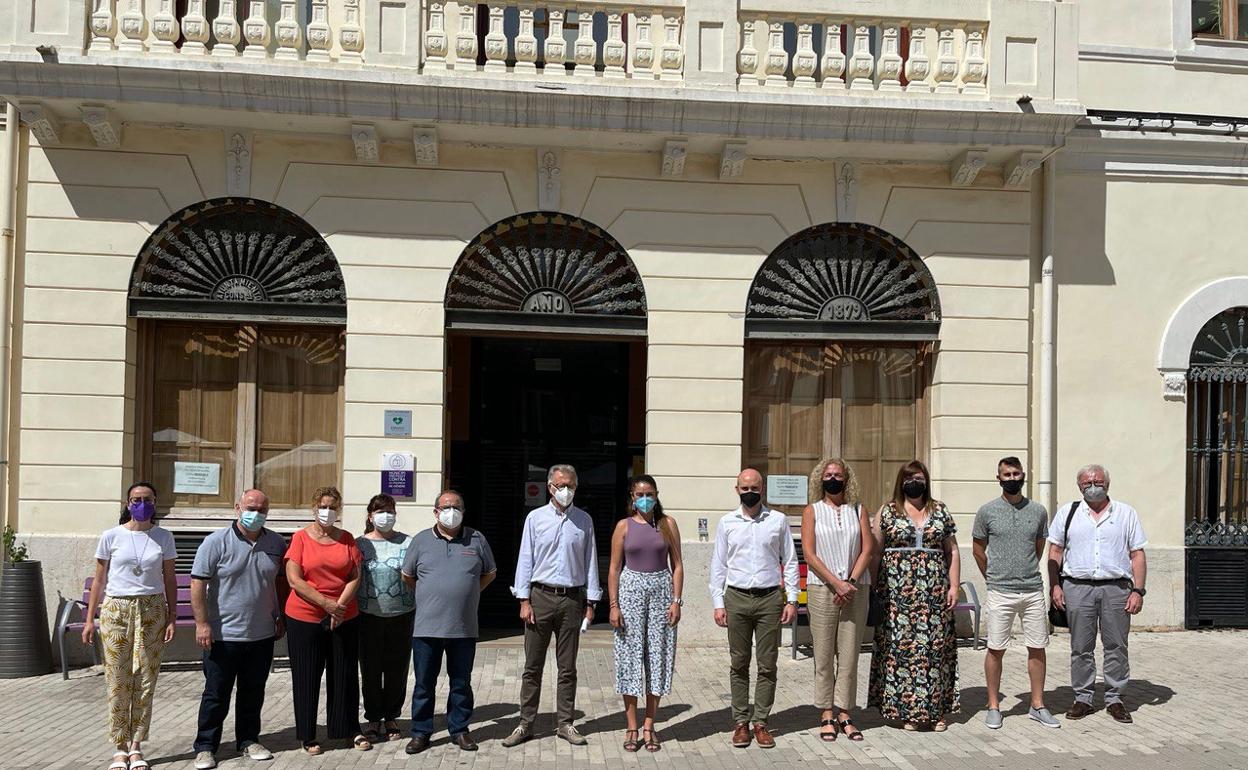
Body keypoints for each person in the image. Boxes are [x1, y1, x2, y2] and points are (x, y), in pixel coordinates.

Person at [503, 464, 601, 747]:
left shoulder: (584, 520)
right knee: (532, 666)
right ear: (549, 487)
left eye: (570, 485)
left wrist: (591, 602)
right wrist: (523, 600)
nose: (565, 490)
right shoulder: (535, 519)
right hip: (540, 597)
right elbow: (525, 558)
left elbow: (590, 561)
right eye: (560, 485)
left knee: (567, 667)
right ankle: (525, 724)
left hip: (572, 599)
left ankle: (565, 723)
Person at [190, 489, 288, 769]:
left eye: (261, 509)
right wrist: (202, 623)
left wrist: (279, 616)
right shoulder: (215, 542)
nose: (255, 513)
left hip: (261, 634)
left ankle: (248, 740)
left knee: (253, 691)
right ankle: (206, 746)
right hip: (222, 636)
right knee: (216, 694)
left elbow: (279, 582)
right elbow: (197, 584)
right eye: (250, 507)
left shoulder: (276, 543)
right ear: (237, 508)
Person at [83, 482, 177, 770]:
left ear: (155, 502)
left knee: (146, 679)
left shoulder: (163, 537)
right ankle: (119, 746)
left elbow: (170, 578)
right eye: (136, 499)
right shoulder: (111, 536)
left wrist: (171, 616)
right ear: (127, 503)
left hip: (150, 610)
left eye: (147, 499)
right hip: (117, 609)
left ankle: (137, 745)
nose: (141, 503)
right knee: (118, 678)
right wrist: (90, 619)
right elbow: (99, 580)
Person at [1047, 464, 1148, 724]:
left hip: (1116, 588)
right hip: (1077, 587)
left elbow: (1137, 554)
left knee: (1116, 645)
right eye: (1086, 483)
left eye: (1098, 481)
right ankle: (1083, 697)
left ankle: (1115, 698)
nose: (1093, 486)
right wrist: (1055, 585)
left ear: (1108, 483)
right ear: (1079, 486)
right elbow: (1055, 551)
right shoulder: (1068, 513)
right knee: (1081, 647)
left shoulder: (1126, 513)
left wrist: (1138, 590)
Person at [400, 490, 497, 754]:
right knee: (423, 685)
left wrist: (469, 591)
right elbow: (408, 576)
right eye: (445, 506)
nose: (451, 510)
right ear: (435, 511)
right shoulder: (420, 541)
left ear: (463, 512)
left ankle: (460, 730)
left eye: (456, 506)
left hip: (463, 627)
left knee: (461, 683)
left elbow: (489, 572)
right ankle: (421, 732)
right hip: (426, 627)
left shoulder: (477, 539)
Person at [708, 468, 799, 749]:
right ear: (737, 490)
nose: (750, 492)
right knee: (739, 663)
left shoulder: (778, 520)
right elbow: (719, 565)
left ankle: (760, 722)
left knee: (768, 664)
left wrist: (792, 599)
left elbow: (790, 561)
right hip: (736, 598)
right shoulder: (727, 523)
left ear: (763, 490)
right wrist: (718, 603)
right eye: (744, 488)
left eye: (755, 488)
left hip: (769, 599)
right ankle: (740, 723)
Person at [868, 460, 960, 731]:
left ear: (926, 481)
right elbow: (875, 551)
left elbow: (952, 551)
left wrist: (953, 586)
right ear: (901, 482)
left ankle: (937, 711)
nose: (914, 482)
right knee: (900, 652)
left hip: (934, 594)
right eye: (909, 478)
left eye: (918, 478)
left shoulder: (940, 510)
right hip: (895, 596)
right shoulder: (887, 511)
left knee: (935, 651)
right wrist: (874, 587)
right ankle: (906, 712)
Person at [972, 457, 1060, 730]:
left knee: (1037, 647)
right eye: (1006, 474)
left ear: (1024, 475)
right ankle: (994, 706)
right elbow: (978, 549)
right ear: (998, 478)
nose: (1012, 478)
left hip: (1032, 590)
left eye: (1016, 473)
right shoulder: (987, 511)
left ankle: (1037, 705)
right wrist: (994, 576)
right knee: (996, 649)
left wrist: (1024, 570)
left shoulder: (1038, 511)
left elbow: (1038, 546)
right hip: (1000, 591)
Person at [283, 486, 371, 754]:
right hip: (305, 616)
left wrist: (340, 606)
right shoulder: (300, 538)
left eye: (333, 506)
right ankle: (308, 735)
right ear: (314, 508)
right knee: (307, 676)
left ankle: (347, 730)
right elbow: (294, 579)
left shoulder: (346, 539)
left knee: (344, 674)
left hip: (345, 615)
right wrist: (326, 604)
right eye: (323, 506)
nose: (328, 511)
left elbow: (355, 575)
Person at [607, 474, 684, 753]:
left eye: (650, 493)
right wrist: (614, 605)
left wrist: (676, 601)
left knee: (658, 657)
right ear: (631, 496)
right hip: (630, 592)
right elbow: (614, 568)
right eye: (639, 494)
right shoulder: (623, 527)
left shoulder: (667, 524)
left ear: (656, 494)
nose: (645, 498)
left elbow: (677, 565)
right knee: (629, 658)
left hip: (661, 591)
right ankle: (631, 725)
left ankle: (650, 725)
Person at [801, 459, 875, 742]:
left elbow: (867, 549)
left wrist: (850, 583)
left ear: (847, 479)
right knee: (823, 654)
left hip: (856, 590)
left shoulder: (858, 509)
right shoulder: (812, 511)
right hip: (823, 590)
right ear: (820, 479)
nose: (833, 479)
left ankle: (845, 712)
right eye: (828, 475)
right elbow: (809, 553)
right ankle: (826, 713)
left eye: (838, 475)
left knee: (850, 654)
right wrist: (836, 583)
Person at [356, 493, 415, 744]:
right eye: (380, 511)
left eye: (390, 510)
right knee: (370, 668)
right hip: (368, 615)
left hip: (401, 614)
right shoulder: (360, 544)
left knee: (396, 668)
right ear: (370, 516)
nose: (385, 516)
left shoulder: (408, 542)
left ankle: (391, 716)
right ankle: (372, 717)